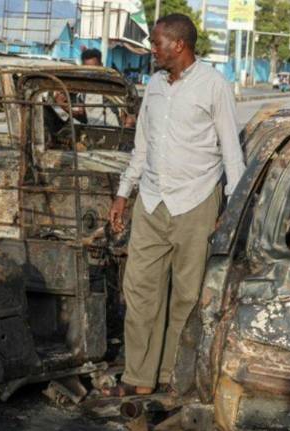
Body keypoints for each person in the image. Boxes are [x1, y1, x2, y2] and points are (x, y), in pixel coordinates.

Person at [104, 14, 245, 396]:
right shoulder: (153, 85)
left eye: (156, 43)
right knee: (140, 291)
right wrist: (123, 193)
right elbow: (143, 146)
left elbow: (232, 152)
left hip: (196, 200)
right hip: (151, 199)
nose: (152, 49)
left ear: (178, 45)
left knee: (186, 296)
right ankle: (138, 378)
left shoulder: (214, 85)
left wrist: (230, 211)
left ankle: (171, 376)